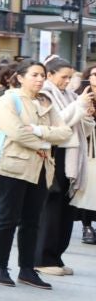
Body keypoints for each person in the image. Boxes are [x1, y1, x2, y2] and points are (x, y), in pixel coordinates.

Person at [0, 61, 77, 289]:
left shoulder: (46, 101)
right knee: (7, 219)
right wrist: (43, 143)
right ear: (20, 77)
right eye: (34, 75)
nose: (39, 79)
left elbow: (64, 132)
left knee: (32, 221)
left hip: (41, 168)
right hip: (15, 167)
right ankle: (0, 267)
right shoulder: (9, 99)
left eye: (41, 75)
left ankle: (27, 269)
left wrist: (39, 131)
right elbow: (15, 131)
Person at [36, 57, 88, 275]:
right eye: (63, 77)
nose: (67, 81)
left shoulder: (69, 95)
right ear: (50, 75)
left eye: (70, 77)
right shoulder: (45, 95)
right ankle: (42, 258)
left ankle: (56, 257)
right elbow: (56, 123)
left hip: (71, 157)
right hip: (54, 155)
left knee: (67, 207)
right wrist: (79, 105)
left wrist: (84, 109)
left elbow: (79, 123)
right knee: (51, 206)